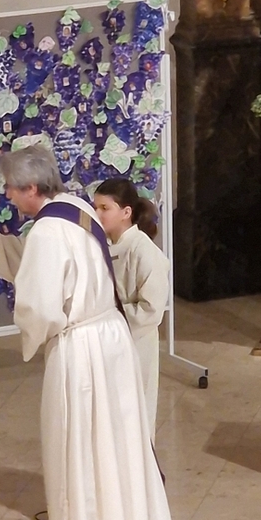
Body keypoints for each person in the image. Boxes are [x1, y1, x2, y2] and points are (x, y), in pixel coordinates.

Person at [0, 148, 178, 520]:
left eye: (11, 188)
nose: (8, 196)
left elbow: (40, 305)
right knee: (128, 442)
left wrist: (33, 335)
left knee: (71, 448)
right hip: (112, 338)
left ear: (31, 188)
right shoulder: (77, 209)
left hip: (80, 348)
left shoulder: (48, 230)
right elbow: (28, 259)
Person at [93, 179, 169, 442]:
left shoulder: (143, 250)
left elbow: (151, 309)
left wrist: (107, 316)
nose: (97, 213)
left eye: (105, 208)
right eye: (95, 207)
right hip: (105, 340)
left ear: (126, 212)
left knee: (133, 414)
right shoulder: (101, 245)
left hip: (135, 344)